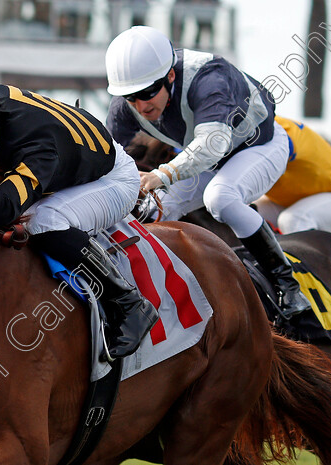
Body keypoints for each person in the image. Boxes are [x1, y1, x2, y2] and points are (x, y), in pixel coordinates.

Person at [0, 70, 158, 360]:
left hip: (111, 180)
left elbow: (4, 209)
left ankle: (127, 301)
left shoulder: (36, 145)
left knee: (40, 219)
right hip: (71, 156)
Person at [104, 25, 310, 317]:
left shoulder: (209, 78)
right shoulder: (124, 106)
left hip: (258, 148)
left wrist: (159, 176)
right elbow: (105, 157)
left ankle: (287, 286)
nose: (140, 105)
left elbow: (212, 146)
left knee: (220, 198)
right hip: (208, 160)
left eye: (148, 93)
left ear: (170, 76)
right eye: (131, 97)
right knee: (149, 211)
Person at [253, 116, 331, 234]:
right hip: (291, 200)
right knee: (241, 217)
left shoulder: (278, 132)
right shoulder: (258, 126)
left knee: (293, 221)